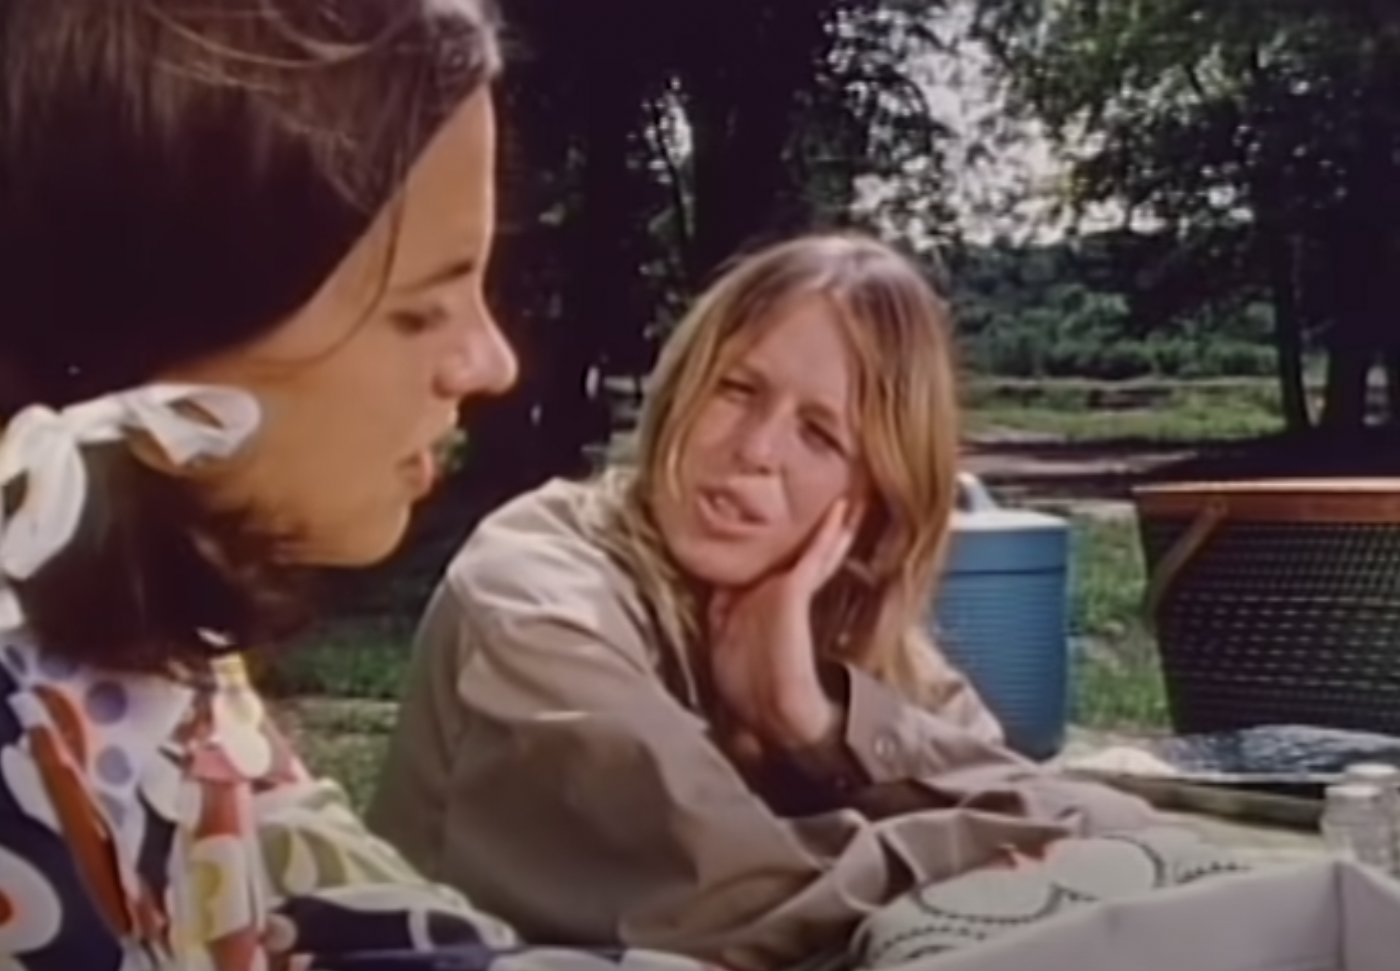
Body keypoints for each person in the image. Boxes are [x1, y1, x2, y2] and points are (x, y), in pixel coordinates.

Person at [0, 4, 724, 971]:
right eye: (422, 309)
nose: (491, 361)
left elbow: (365, 925)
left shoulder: (159, 662)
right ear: (157, 350)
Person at [367, 233, 1161, 971]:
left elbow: (1071, 808)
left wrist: (813, 723)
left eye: (819, 435)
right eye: (738, 389)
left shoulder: (819, 614)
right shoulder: (536, 591)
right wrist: (979, 861)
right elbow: (731, 903)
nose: (753, 450)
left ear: (874, 500)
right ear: (681, 386)